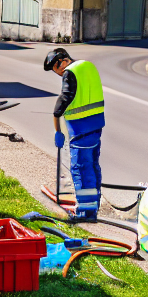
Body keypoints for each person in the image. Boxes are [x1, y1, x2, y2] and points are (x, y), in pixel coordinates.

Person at [44, 47, 105, 220]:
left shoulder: (70, 72)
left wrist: (58, 130)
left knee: (81, 169)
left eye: (55, 69)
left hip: (80, 129)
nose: (57, 73)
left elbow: (65, 98)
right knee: (92, 167)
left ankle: (85, 212)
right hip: (96, 126)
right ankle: (93, 206)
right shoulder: (88, 67)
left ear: (61, 62)